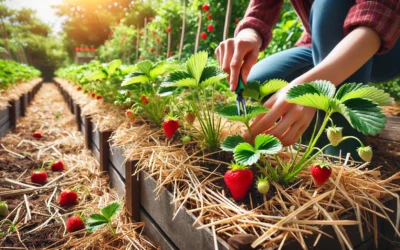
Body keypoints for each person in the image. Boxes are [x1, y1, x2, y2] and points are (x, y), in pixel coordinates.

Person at [215, 0, 400, 158]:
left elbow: (377, 16)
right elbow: (260, 10)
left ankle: (341, 147)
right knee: (258, 82)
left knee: (329, 4)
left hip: (386, 42)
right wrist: (248, 36)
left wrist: (310, 89)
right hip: (318, 46)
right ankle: (309, 132)